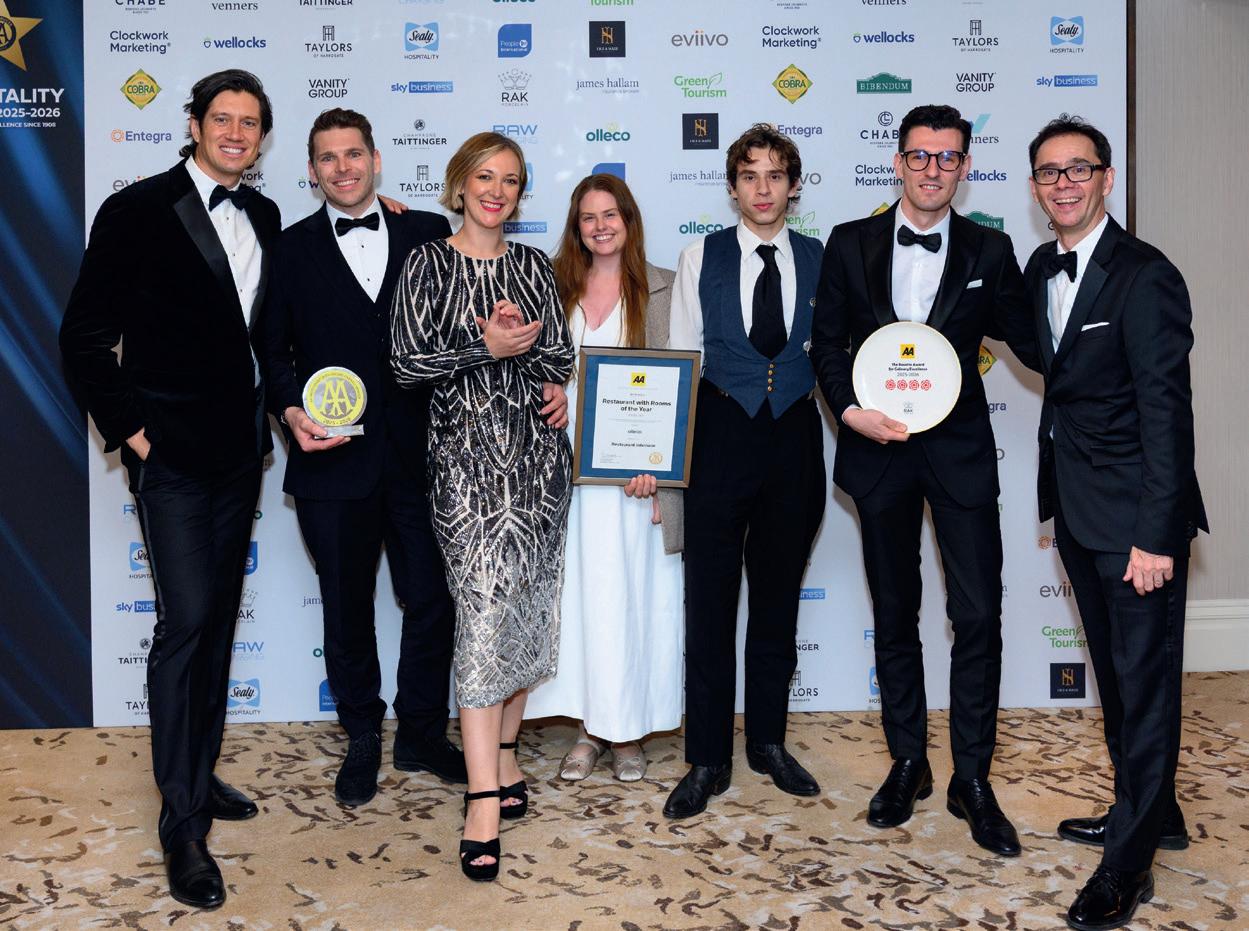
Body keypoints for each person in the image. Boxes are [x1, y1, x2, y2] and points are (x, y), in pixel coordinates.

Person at [59, 70, 280, 910]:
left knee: (216, 622)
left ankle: (196, 769)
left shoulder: (264, 215)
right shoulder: (136, 210)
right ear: (193, 124)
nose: (234, 133)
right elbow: (82, 337)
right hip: (173, 460)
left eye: (249, 122)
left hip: (239, 455)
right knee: (185, 625)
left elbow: (266, 330)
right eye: (221, 118)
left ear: (261, 137)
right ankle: (182, 826)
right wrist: (135, 433)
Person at [809, 104, 1036, 856]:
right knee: (894, 611)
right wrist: (849, 412)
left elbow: (1031, 341)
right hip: (879, 451)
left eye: (947, 157)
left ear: (965, 167)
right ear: (898, 161)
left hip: (960, 453)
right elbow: (827, 344)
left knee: (978, 614)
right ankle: (907, 759)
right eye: (919, 155)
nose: (932, 169)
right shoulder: (849, 241)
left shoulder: (991, 248)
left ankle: (973, 778)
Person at [1023, 114, 1207, 931]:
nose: (1063, 183)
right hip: (1075, 510)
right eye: (1048, 171)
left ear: (1105, 177)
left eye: (1078, 168)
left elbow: (1168, 415)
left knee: (1146, 689)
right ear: (1034, 186)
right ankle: (1150, 811)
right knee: (1118, 681)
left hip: (1136, 521)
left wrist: (1157, 536)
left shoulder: (1146, 275)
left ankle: (1126, 867)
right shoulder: (1039, 266)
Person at [255, 108, 464, 809]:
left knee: (432, 599)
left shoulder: (428, 231)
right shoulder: (288, 248)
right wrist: (291, 411)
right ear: (311, 171)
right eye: (328, 157)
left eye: (354, 154)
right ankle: (363, 735)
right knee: (345, 609)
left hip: (425, 459)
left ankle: (422, 733)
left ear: (376, 159)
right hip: (331, 461)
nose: (342, 168)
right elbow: (272, 352)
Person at [390, 132, 574, 881]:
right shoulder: (428, 262)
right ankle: (481, 799)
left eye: (511, 180)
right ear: (459, 183)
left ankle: (502, 752)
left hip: (538, 468)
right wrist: (484, 347)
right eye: (485, 176)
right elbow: (405, 362)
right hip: (464, 472)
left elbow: (560, 354)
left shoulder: (532, 265)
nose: (497, 191)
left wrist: (544, 368)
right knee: (481, 619)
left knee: (526, 612)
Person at [664, 123, 826, 819]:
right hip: (719, 437)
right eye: (749, 176)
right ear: (732, 188)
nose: (762, 188)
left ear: (792, 186)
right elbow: (681, 361)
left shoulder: (821, 258)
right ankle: (707, 756)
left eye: (775, 175)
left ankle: (768, 742)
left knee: (777, 603)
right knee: (708, 605)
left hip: (795, 439)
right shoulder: (698, 256)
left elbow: (839, 353)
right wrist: (666, 467)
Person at [524, 174, 684, 782]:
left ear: (629, 220)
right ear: (576, 226)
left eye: (610, 214)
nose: (600, 226)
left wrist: (662, 472)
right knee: (580, 601)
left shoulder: (666, 287)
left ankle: (628, 733)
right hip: (561, 471)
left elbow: (682, 388)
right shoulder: (551, 286)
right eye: (588, 217)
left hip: (634, 478)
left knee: (631, 600)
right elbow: (529, 371)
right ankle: (589, 730)